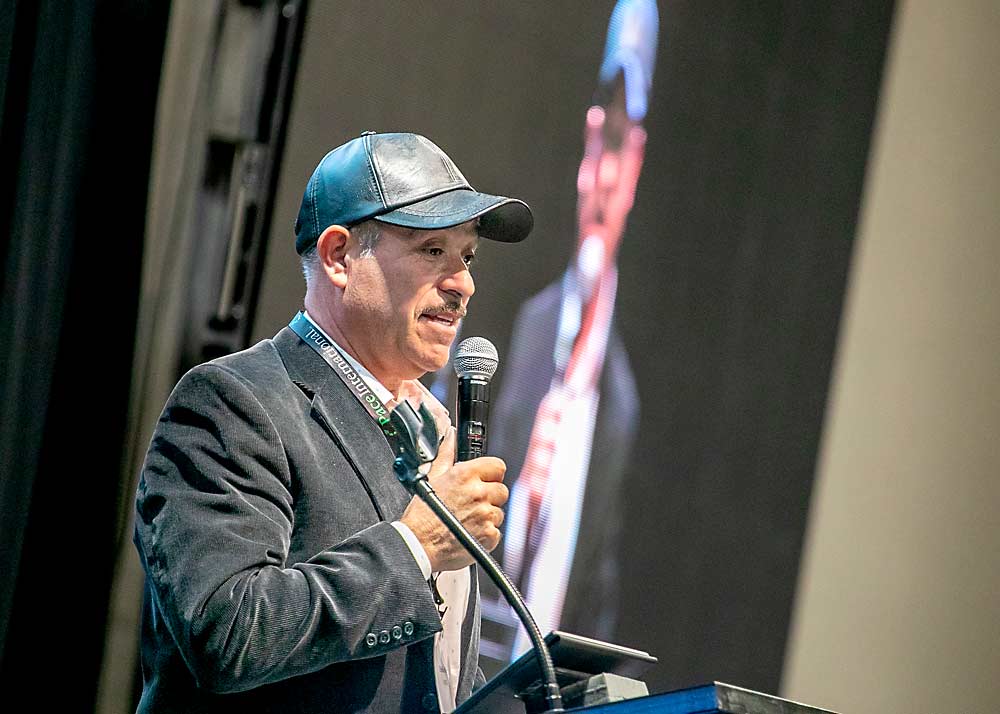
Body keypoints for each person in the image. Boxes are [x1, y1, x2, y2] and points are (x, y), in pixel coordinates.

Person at [132, 131, 533, 713]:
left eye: (466, 256)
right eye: (432, 252)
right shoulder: (231, 403)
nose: (462, 283)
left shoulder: (435, 432)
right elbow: (227, 634)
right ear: (339, 256)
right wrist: (414, 545)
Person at [481, 0, 657, 662]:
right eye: (598, 139)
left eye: (622, 144)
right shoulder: (507, 322)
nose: (603, 175)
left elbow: (593, 593)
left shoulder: (618, 404)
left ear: (637, 164)